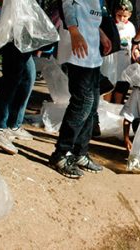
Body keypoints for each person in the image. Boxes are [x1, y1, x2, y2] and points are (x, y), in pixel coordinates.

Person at [51, 0, 112, 179]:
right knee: (82, 102)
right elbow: (67, 4)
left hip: (92, 51)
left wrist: (100, 34)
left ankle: (80, 152)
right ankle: (61, 153)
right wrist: (74, 31)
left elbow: (88, 14)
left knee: (92, 104)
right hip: (77, 50)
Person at [103, 0, 136, 104]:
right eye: (119, 15)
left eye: (125, 16)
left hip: (124, 62)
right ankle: (106, 108)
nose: (122, 18)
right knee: (108, 88)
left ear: (130, 15)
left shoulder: (131, 26)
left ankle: (117, 110)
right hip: (111, 62)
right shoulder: (110, 24)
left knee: (121, 89)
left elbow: (133, 43)